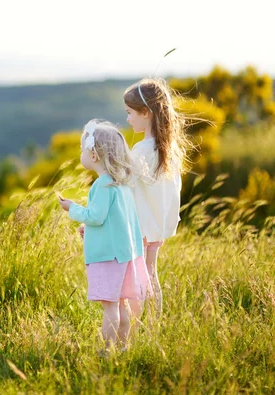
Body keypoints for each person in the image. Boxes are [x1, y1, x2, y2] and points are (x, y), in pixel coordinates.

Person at [58, 119, 151, 352]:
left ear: (94, 155)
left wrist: (73, 208)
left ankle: (106, 351)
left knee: (110, 307)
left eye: (82, 149)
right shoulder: (121, 184)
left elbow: (96, 215)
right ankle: (122, 347)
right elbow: (113, 221)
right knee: (120, 305)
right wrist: (88, 229)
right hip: (122, 255)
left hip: (106, 258)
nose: (81, 153)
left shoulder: (102, 185)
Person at [123, 78, 191, 317]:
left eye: (130, 112)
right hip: (157, 225)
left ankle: (135, 326)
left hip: (140, 226)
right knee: (151, 273)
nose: (128, 118)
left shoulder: (141, 150)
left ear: (146, 112)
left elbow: (125, 187)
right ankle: (153, 327)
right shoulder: (170, 149)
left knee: (135, 279)